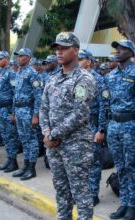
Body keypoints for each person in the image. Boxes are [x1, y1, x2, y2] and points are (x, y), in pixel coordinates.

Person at [40, 32, 96, 220]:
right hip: (54, 145)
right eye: (58, 48)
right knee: (61, 191)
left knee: (80, 194)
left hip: (76, 146)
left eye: (64, 48)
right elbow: (43, 108)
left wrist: (53, 135)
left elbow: (79, 114)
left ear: (76, 50)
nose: (59, 52)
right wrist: (46, 132)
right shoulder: (53, 79)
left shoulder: (84, 79)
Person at [99, 39, 135, 220]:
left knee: (132, 166)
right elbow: (105, 104)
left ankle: (132, 206)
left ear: (130, 53)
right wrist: (103, 128)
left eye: (122, 49)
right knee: (120, 166)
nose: (118, 52)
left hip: (130, 126)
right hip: (114, 126)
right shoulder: (110, 76)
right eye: (116, 49)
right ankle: (124, 203)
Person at [77, 49, 106, 206]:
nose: (78, 61)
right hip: (79, 126)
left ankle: (93, 193)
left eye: (81, 59)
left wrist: (101, 129)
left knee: (94, 162)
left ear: (88, 61)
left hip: (93, 124)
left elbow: (103, 106)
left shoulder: (98, 79)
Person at [12, 48, 42, 180]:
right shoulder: (19, 72)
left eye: (22, 56)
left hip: (28, 111)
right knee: (23, 140)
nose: (19, 58)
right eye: (18, 56)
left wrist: (36, 115)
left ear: (29, 57)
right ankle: (25, 165)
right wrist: (14, 112)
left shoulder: (32, 73)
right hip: (19, 111)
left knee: (31, 140)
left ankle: (32, 168)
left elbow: (38, 96)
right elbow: (15, 94)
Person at [0, 51, 19, 172]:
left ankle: (13, 161)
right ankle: (9, 159)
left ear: (7, 59)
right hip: (0, 109)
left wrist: (13, 112)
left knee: (11, 136)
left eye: (0, 58)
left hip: (8, 109)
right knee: (5, 136)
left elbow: (15, 93)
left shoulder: (11, 73)